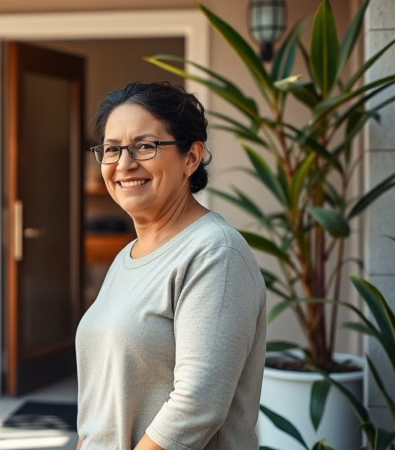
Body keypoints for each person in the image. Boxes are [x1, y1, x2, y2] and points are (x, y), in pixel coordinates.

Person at [75, 82, 266, 450]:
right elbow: (100, 404)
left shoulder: (215, 253)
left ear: (191, 158)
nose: (124, 164)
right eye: (112, 149)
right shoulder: (127, 256)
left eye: (145, 146)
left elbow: (196, 406)